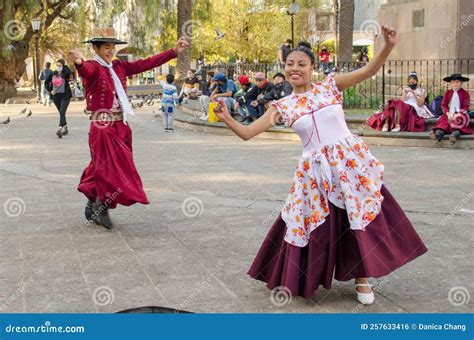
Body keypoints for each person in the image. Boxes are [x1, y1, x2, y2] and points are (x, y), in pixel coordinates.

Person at [213, 27, 427, 305]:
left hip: (349, 164)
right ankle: (307, 276)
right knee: (317, 225)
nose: (295, 69)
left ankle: (363, 278)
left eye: (301, 64)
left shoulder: (331, 85)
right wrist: (228, 118)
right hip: (314, 174)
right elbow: (248, 132)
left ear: (313, 67)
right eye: (290, 64)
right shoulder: (282, 106)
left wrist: (387, 46)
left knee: (357, 217)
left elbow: (369, 71)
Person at [67, 27, 188, 229]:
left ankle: (94, 199)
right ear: (96, 48)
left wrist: (173, 52)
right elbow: (85, 70)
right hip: (102, 126)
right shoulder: (93, 67)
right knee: (109, 169)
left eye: (112, 47)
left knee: (108, 166)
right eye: (106, 47)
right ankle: (101, 206)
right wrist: (79, 63)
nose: (110, 51)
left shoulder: (119, 67)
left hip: (121, 125)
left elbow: (146, 63)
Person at [368, 72, 433, 132]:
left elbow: (420, 104)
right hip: (405, 105)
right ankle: (386, 124)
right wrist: (405, 93)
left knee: (397, 103)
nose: (411, 84)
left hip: (414, 107)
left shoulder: (422, 91)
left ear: (417, 81)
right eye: (409, 83)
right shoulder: (406, 90)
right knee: (392, 102)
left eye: (413, 82)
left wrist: (414, 93)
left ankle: (397, 125)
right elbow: (402, 101)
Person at [430, 73, 471, 144]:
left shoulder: (465, 93)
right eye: (452, 82)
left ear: (461, 83)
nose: (455, 84)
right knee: (443, 123)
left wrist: (459, 113)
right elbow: (444, 105)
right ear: (450, 84)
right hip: (449, 114)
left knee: (457, 125)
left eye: (457, 82)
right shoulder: (448, 93)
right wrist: (447, 113)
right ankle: (438, 134)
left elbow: (466, 106)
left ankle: (454, 135)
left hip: (460, 115)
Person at [45, 59, 72, 138]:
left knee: (62, 111)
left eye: (60, 66)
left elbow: (68, 72)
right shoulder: (52, 73)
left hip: (65, 95)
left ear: (63, 66)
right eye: (57, 65)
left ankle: (60, 129)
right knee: (61, 113)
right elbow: (46, 83)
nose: (58, 67)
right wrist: (51, 90)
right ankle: (65, 127)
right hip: (56, 96)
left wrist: (64, 66)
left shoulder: (65, 73)